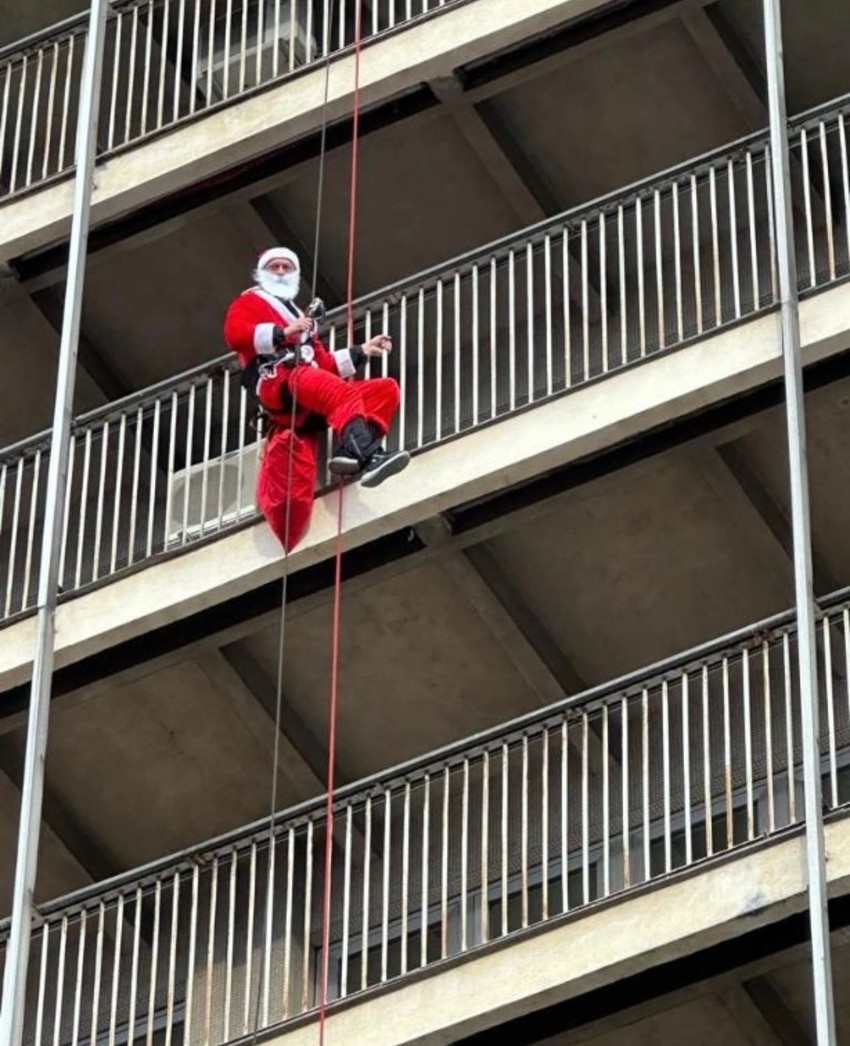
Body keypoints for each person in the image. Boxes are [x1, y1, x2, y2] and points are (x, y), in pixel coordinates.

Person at [223, 247, 409, 551]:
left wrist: (362, 350)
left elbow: (321, 363)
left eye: (287, 267)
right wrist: (283, 332)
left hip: (306, 382)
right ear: (261, 273)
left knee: (384, 389)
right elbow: (236, 335)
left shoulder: (298, 315)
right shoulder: (249, 302)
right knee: (341, 392)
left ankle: (351, 452)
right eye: (274, 266)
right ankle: (371, 455)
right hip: (281, 381)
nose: (281, 271)